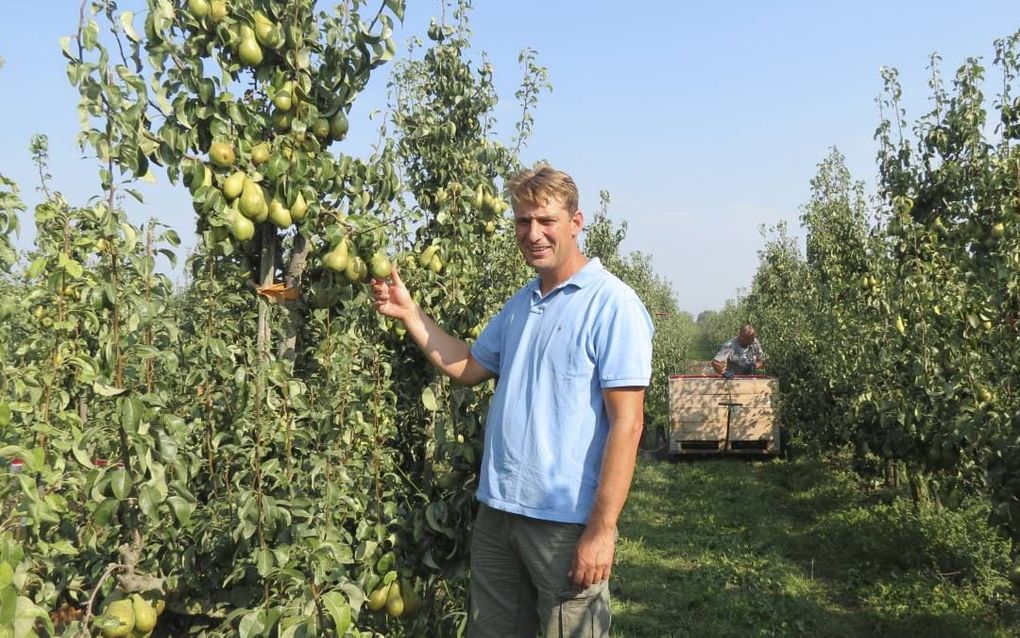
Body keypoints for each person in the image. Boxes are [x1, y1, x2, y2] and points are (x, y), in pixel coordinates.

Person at [371, 165, 653, 637]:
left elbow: (629, 425)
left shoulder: (612, 305)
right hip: (499, 514)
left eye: (546, 220)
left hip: (564, 522)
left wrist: (602, 531)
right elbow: (467, 366)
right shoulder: (522, 303)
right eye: (523, 222)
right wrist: (409, 313)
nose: (534, 234)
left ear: (576, 222)